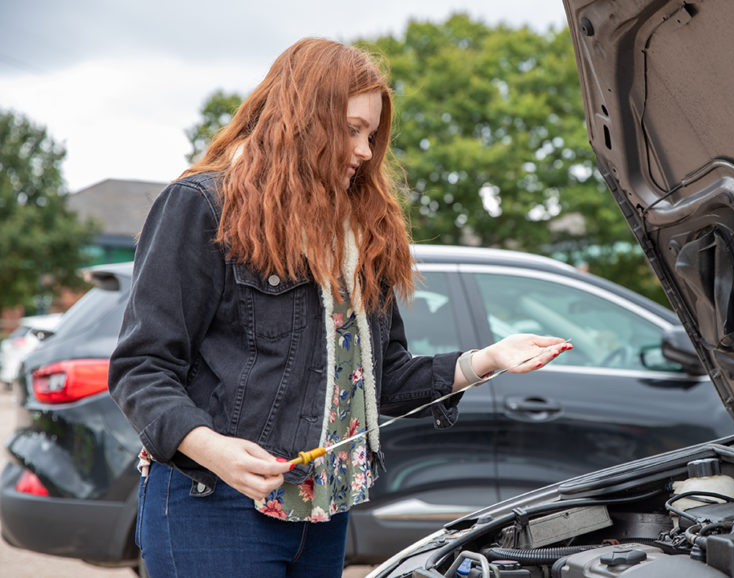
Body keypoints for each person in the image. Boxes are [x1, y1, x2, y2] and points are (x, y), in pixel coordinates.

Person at [107, 37, 571, 576]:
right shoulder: (203, 206)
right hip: (214, 505)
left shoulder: (360, 236)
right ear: (301, 119)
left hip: (325, 512)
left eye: (371, 135)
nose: (366, 152)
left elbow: (385, 380)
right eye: (352, 129)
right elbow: (141, 368)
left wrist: (487, 359)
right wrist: (215, 451)